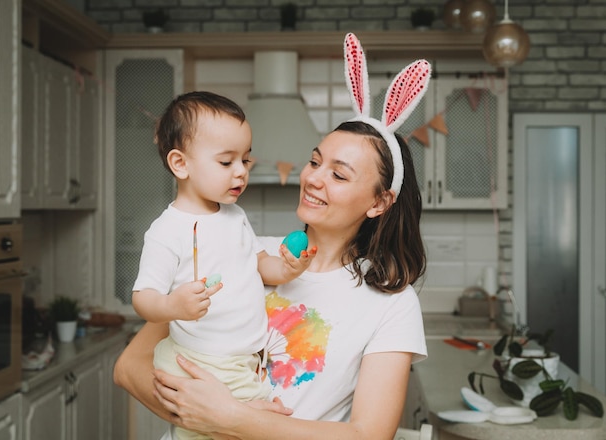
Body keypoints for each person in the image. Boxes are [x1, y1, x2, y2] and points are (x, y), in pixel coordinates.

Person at [115, 33, 431, 439]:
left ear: (379, 202)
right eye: (315, 161)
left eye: (338, 174)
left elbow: (369, 435)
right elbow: (130, 367)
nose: (314, 178)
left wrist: (232, 419)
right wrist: (198, 418)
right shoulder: (241, 247)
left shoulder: (391, 303)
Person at [131, 91, 315, 440]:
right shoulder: (166, 231)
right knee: (257, 425)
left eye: (245, 160)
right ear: (180, 164)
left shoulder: (235, 216)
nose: (241, 172)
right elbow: (143, 297)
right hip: (206, 361)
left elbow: (259, 264)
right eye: (226, 162)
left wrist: (288, 270)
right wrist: (172, 306)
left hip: (239, 358)